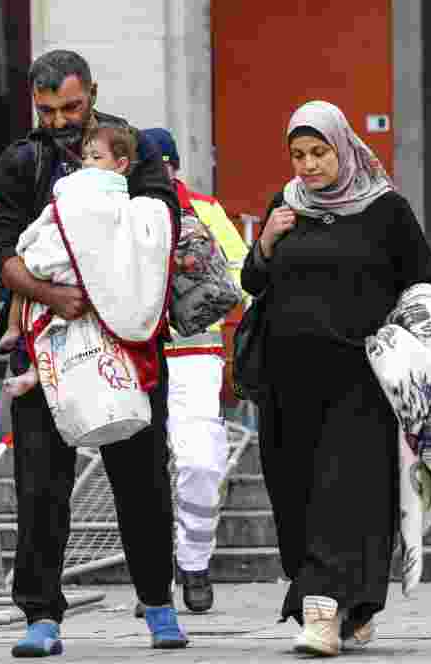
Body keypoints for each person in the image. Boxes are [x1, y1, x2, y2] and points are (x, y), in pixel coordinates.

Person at [0, 49, 187, 655]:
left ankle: (157, 603)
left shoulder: (133, 146)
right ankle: (41, 615)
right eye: (48, 110)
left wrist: (107, 285)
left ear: (91, 91)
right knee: (40, 484)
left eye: (72, 106)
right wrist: (48, 292)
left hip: (126, 338)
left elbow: (160, 219)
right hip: (46, 336)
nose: (63, 121)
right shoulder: (20, 160)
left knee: (142, 479)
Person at [239, 101, 431, 657]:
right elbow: (252, 281)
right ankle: (353, 607)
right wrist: (264, 243)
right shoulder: (286, 206)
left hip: (359, 381)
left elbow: (426, 287)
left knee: (343, 495)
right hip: (287, 383)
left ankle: (323, 612)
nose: (307, 166)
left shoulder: (386, 211)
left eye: (318, 152)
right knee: (298, 498)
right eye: (298, 155)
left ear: (343, 147)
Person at [140, 127, 248, 614]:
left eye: (165, 164)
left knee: (200, 463)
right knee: (143, 474)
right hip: (134, 358)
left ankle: (196, 563)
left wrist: (198, 281)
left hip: (195, 356)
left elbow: (246, 277)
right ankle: (154, 576)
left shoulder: (205, 209)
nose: (159, 174)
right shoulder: (120, 215)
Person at [0, 124, 139, 398]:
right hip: (58, 251)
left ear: (120, 164)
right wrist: (34, 237)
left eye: (97, 157)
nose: (87, 163)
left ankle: (36, 372)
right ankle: (15, 330)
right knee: (24, 277)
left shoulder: (120, 196)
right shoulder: (72, 186)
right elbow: (54, 212)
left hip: (85, 266)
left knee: (60, 329)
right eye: (85, 157)